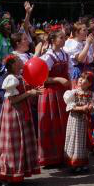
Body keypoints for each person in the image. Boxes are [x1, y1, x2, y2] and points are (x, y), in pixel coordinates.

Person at [0, 55, 42, 186]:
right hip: (13, 113)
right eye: (19, 60)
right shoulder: (10, 78)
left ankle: (15, 174)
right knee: (11, 144)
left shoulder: (19, 77)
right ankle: (6, 176)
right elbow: (13, 100)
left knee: (19, 143)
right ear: (13, 65)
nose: (22, 62)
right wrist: (30, 93)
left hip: (21, 111)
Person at [38, 29, 71, 166]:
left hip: (62, 93)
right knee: (50, 122)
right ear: (53, 41)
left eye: (64, 37)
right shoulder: (48, 56)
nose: (64, 40)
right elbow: (42, 78)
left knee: (62, 123)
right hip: (50, 93)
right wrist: (58, 79)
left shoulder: (64, 54)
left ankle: (61, 155)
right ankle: (49, 157)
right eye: (61, 38)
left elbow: (68, 72)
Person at [63, 70, 94, 171]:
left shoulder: (91, 94)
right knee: (75, 139)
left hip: (84, 120)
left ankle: (82, 162)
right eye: (80, 78)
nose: (81, 80)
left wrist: (91, 107)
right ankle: (74, 163)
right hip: (75, 120)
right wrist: (81, 108)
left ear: (90, 83)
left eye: (85, 79)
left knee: (83, 141)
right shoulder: (73, 93)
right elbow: (70, 106)